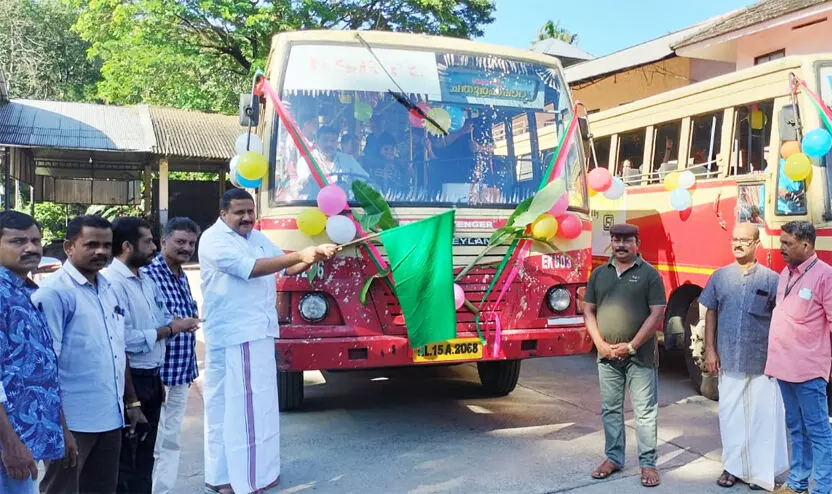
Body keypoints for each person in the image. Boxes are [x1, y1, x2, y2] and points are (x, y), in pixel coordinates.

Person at [199, 189, 338, 494]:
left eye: (250, 212)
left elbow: (285, 265)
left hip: (255, 332)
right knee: (242, 408)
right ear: (224, 214)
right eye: (239, 213)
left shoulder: (256, 238)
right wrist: (301, 254)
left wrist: (313, 255)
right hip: (239, 333)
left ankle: (230, 476)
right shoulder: (214, 239)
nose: (247, 218)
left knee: (250, 404)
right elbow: (251, 269)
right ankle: (243, 481)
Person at [33, 215, 146, 494]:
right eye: (92, 244)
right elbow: (45, 368)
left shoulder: (108, 288)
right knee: (63, 490)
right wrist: (60, 428)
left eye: (107, 245)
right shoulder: (54, 293)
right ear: (69, 246)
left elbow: (117, 349)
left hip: (110, 415)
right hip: (73, 421)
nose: (101, 252)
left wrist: (131, 403)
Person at [104, 217, 200, 493]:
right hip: (134, 378)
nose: (153, 248)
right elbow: (122, 338)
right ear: (126, 246)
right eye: (149, 242)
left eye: (191, 243)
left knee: (157, 447)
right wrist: (172, 328)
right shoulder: (116, 282)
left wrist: (175, 324)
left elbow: (161, 316)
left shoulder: (146, 279)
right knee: (130, 456)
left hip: (165, 374)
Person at [700, 223, 788, 490]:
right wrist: (710, 349)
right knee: (731, 416)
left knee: (763, 417)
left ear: (756, 244)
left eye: (744, 240)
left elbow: (782, 320)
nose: (738, 244)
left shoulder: (772, 280)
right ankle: (733, 468)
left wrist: (780, 357)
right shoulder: (720, 277)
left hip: (762, 360)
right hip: (729, 357)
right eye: (734, 239)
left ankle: (760, 473)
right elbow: (710, 312)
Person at [583, 223, 666, 488]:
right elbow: (588, 310)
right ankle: (614, 458)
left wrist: (631, 345)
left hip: (639, 357)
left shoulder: (650, 275)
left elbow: (657, 314)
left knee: (644, 412)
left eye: (626, 240)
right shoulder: (599, 274)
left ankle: (648, 464)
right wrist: (599, 343)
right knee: (610, 409)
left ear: (636, 242)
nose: (620, 245)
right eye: (616, 239)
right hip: (606, 357)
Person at [0, 211, 76, 493]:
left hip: (26, 440)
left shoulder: (24, 292)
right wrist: (10, 444)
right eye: (18, 241)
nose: (31, 248)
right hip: (9, 447)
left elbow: (43, 371)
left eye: (35, 240)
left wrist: (62, 429)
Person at [766, 221, 832, 494]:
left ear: (805, 245)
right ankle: (797, 483)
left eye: (786, 243)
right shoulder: (786, 273)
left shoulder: (825, 275)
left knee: (818, 433)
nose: (781, 248)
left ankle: (823, 489)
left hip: (809, 370)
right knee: (796, 427)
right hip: (784, 367)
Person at [145, 218, 202, 494]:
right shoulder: (149, 275)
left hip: (180, 374)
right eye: (180, 242)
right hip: (158, 374)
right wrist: (180, 323)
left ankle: (163, 490)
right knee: (153, 443)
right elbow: (151, 322)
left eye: (191, 243)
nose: (186, 248)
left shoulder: (181, 275)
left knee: (171, 441)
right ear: (162, 242)